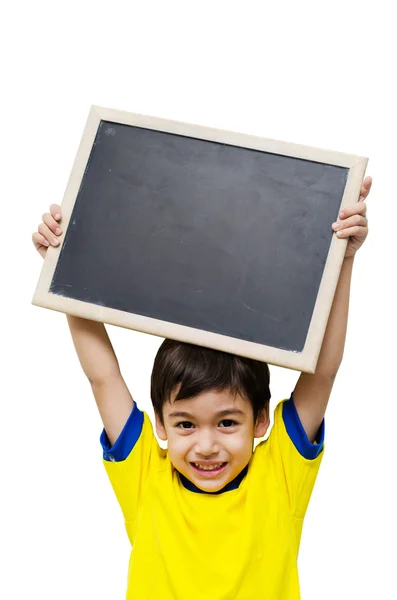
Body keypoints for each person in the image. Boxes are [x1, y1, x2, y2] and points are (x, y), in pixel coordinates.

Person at [32, 176, 372, 599]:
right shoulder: (146, 476)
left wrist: (345, 259)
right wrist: (62, 266)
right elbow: (103, 376)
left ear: (261, 419)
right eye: (186, 425)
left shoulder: (279, 474)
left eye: (227, 422)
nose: (206, 445)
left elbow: (322, 370)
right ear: (160, 424)